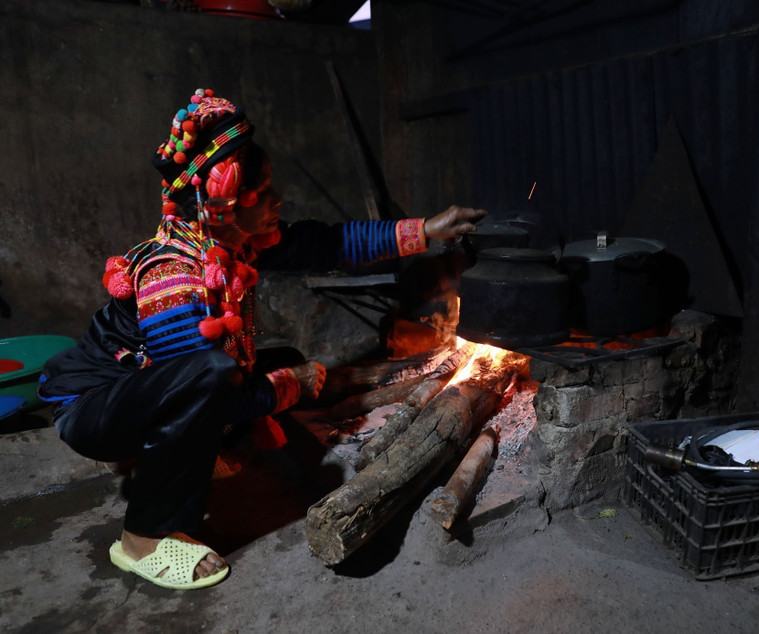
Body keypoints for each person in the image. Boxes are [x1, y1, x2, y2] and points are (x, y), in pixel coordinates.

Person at [38, 89, 485, 590]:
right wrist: (288, 386)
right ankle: (140, 538)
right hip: (92, 409)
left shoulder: (227, 242)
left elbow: (327, 243)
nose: (277, 201)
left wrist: (426, 230)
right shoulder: (175, 276)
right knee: (221, 374)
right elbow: (205, 384)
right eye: (265, 190)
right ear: (224, 202)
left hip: (144, 384)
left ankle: (185, 447)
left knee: (271, 361)